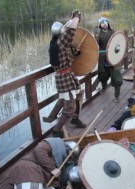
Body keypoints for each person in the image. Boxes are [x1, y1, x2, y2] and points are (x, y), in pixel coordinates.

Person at [1, 138, 81, 189]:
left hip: (44, 181)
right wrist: (52, 169)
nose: (70, 157)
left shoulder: (63, 159)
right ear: (68, 148)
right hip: (30, 168)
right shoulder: (57, 143)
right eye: (71, 154)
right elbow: (39, 150)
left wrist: (69, 184)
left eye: (72, 157)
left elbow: (64, 172)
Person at [49, 9, 86, 138]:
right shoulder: (60, 43)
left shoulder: (56, 43)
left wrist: (77, 52)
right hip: (64, 79)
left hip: (68, 75)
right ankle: (57, 129)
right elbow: (70, 31)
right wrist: (76, 17)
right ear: (61, 33)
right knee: (69, 108)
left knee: (80, 94)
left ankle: (75, 118)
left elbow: (69, 51)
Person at [95, 17, 123, 103]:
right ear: (100, 25)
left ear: (108, 23)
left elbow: (119, 42)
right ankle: (103, 88)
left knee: (116, 78)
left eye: (105, 22)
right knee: (103, 76)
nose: (104, 24)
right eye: (102, 23)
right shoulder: (98, 34)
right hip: (103, 58)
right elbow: (95, 44)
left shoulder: (113, 32)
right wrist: (95, 36)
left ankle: (117, 96)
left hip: (113, 57)